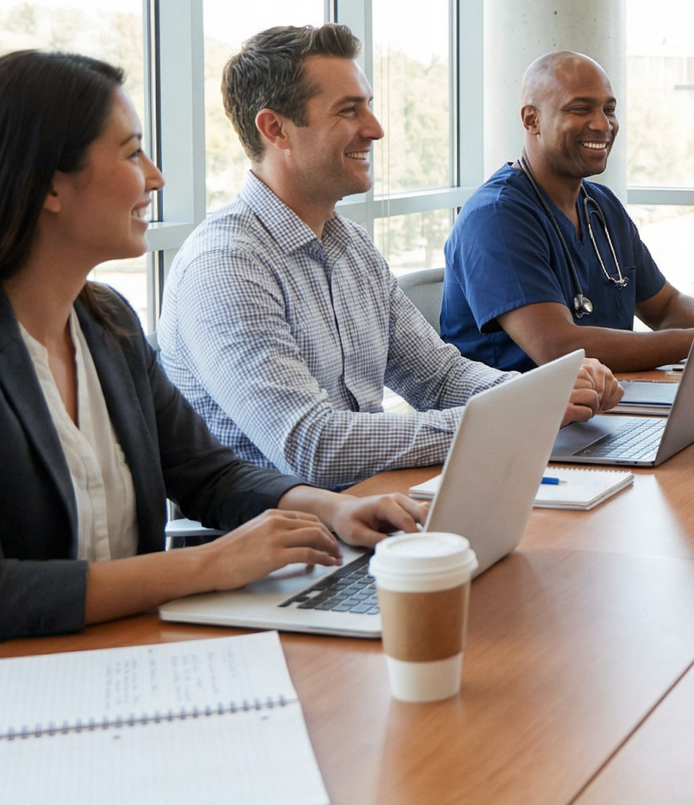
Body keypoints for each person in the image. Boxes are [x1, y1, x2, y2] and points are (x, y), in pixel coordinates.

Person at [0, 49, 426, 643]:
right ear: (50, 184)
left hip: (135, 646)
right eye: (131, 154)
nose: (155, 177)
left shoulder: (109, 326)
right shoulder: (222, 262)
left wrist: (332, 510)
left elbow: (208, 474)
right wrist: (204, 565)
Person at [159, 26, 619, 491]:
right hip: (291, 547)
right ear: (275, 128)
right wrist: (511, 417)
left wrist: (543, 392)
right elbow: (313, 446)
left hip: (376, 505)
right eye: (348, 111)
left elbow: (438, 378)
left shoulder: (351, 246)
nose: (375, 129)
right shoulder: (224, 266)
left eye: (369, 106)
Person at [442, 52, 694, 372]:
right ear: (531, 120)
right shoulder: (496, 218)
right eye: (581, 109)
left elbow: (666, 307)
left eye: (610, 109)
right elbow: (559, 348)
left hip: (607, 405)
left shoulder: (601, 206)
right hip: (526, 416)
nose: (603, 124)